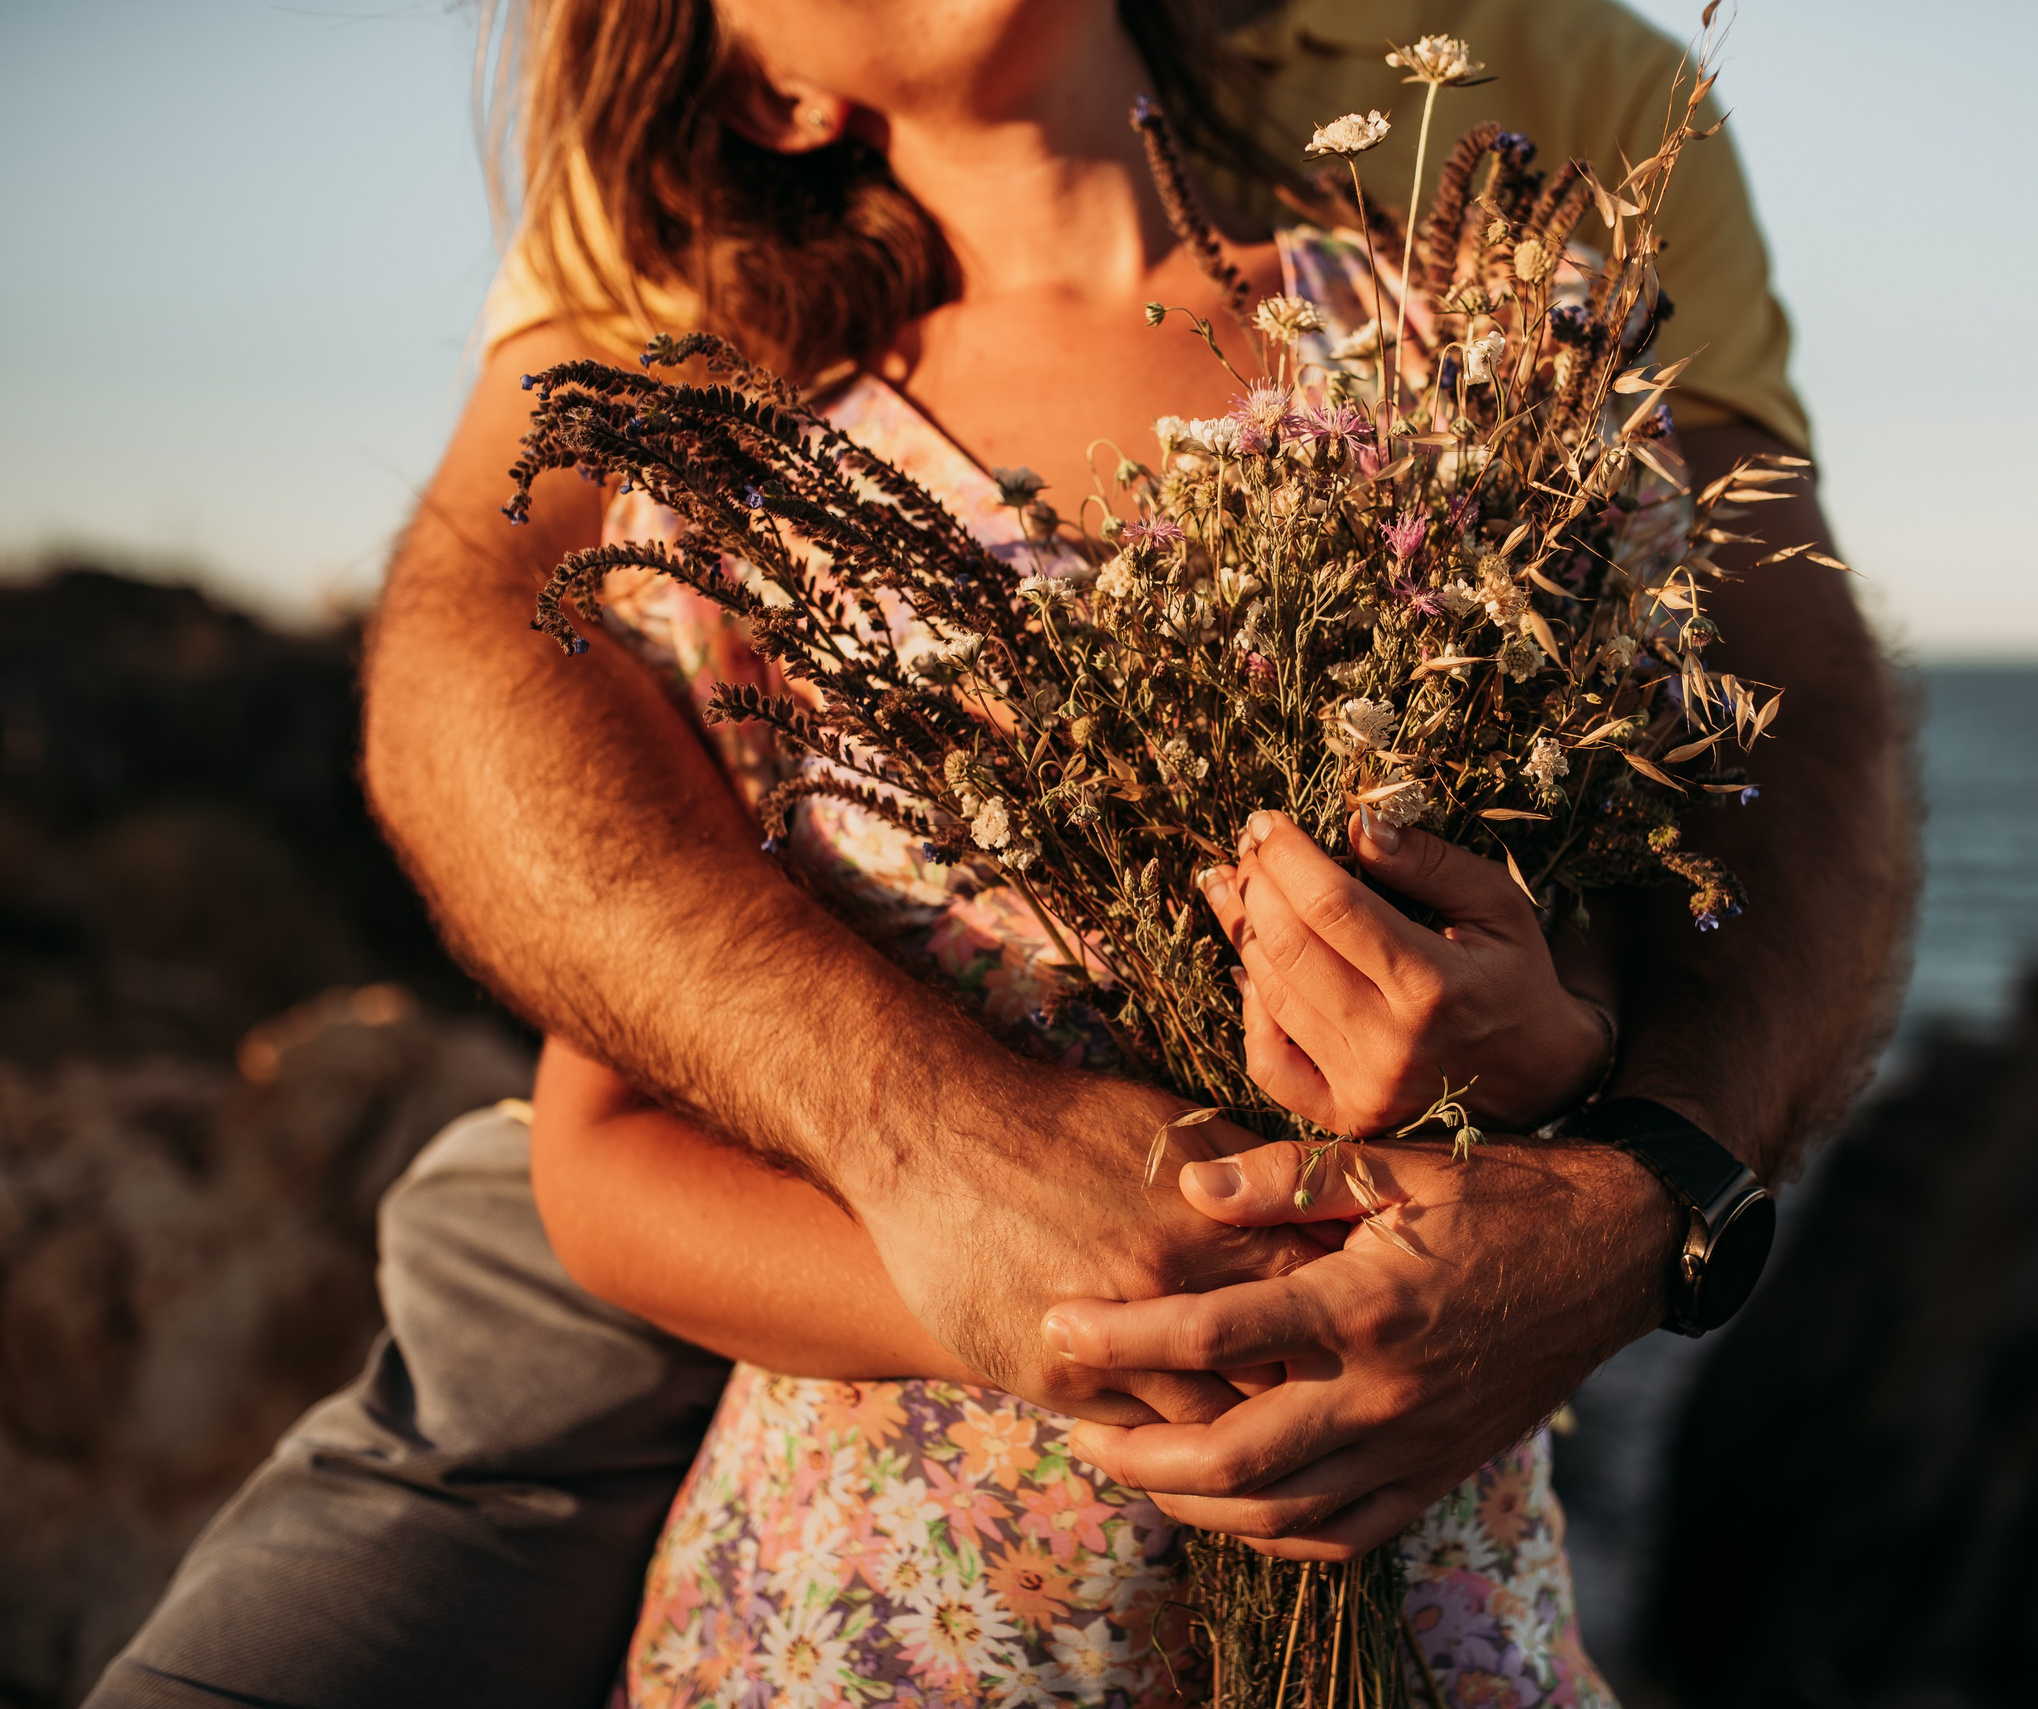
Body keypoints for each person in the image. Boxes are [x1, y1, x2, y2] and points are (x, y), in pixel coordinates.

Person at [89, 0, 1908, 1704]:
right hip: (885, 1613)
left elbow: (1646, 869)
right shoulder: (750, 472)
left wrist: (1563, 1069)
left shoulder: (1460, 365)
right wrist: (1000, 1280)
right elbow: (603, 1143)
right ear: (774, 96)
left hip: (1421, 1586)